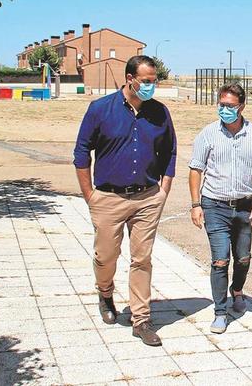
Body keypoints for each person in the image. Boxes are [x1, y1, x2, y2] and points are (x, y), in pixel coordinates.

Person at [73, 55, 176, 346]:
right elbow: (81, 153)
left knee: (142, 258)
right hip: (108, 198)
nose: (151, 86)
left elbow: (170, 153)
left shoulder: (159, 113)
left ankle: (141, 319)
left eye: (154, 81)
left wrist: (163, 190)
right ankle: (105, 293)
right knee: (106, 256)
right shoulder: (100, 110)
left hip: (147, 198)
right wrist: (89, 195)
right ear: (130, 78)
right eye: (146, 81)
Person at [188, 83, 252, 334]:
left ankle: (237, 291)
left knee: (243, 257)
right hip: (214, 204)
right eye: (222, 105)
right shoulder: (208, 134)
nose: (224, 110)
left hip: (245, 205)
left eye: (230, 106)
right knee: (220, 259)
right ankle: (220, 312)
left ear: (242, 106)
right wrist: (195, 204)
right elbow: (195, 170)